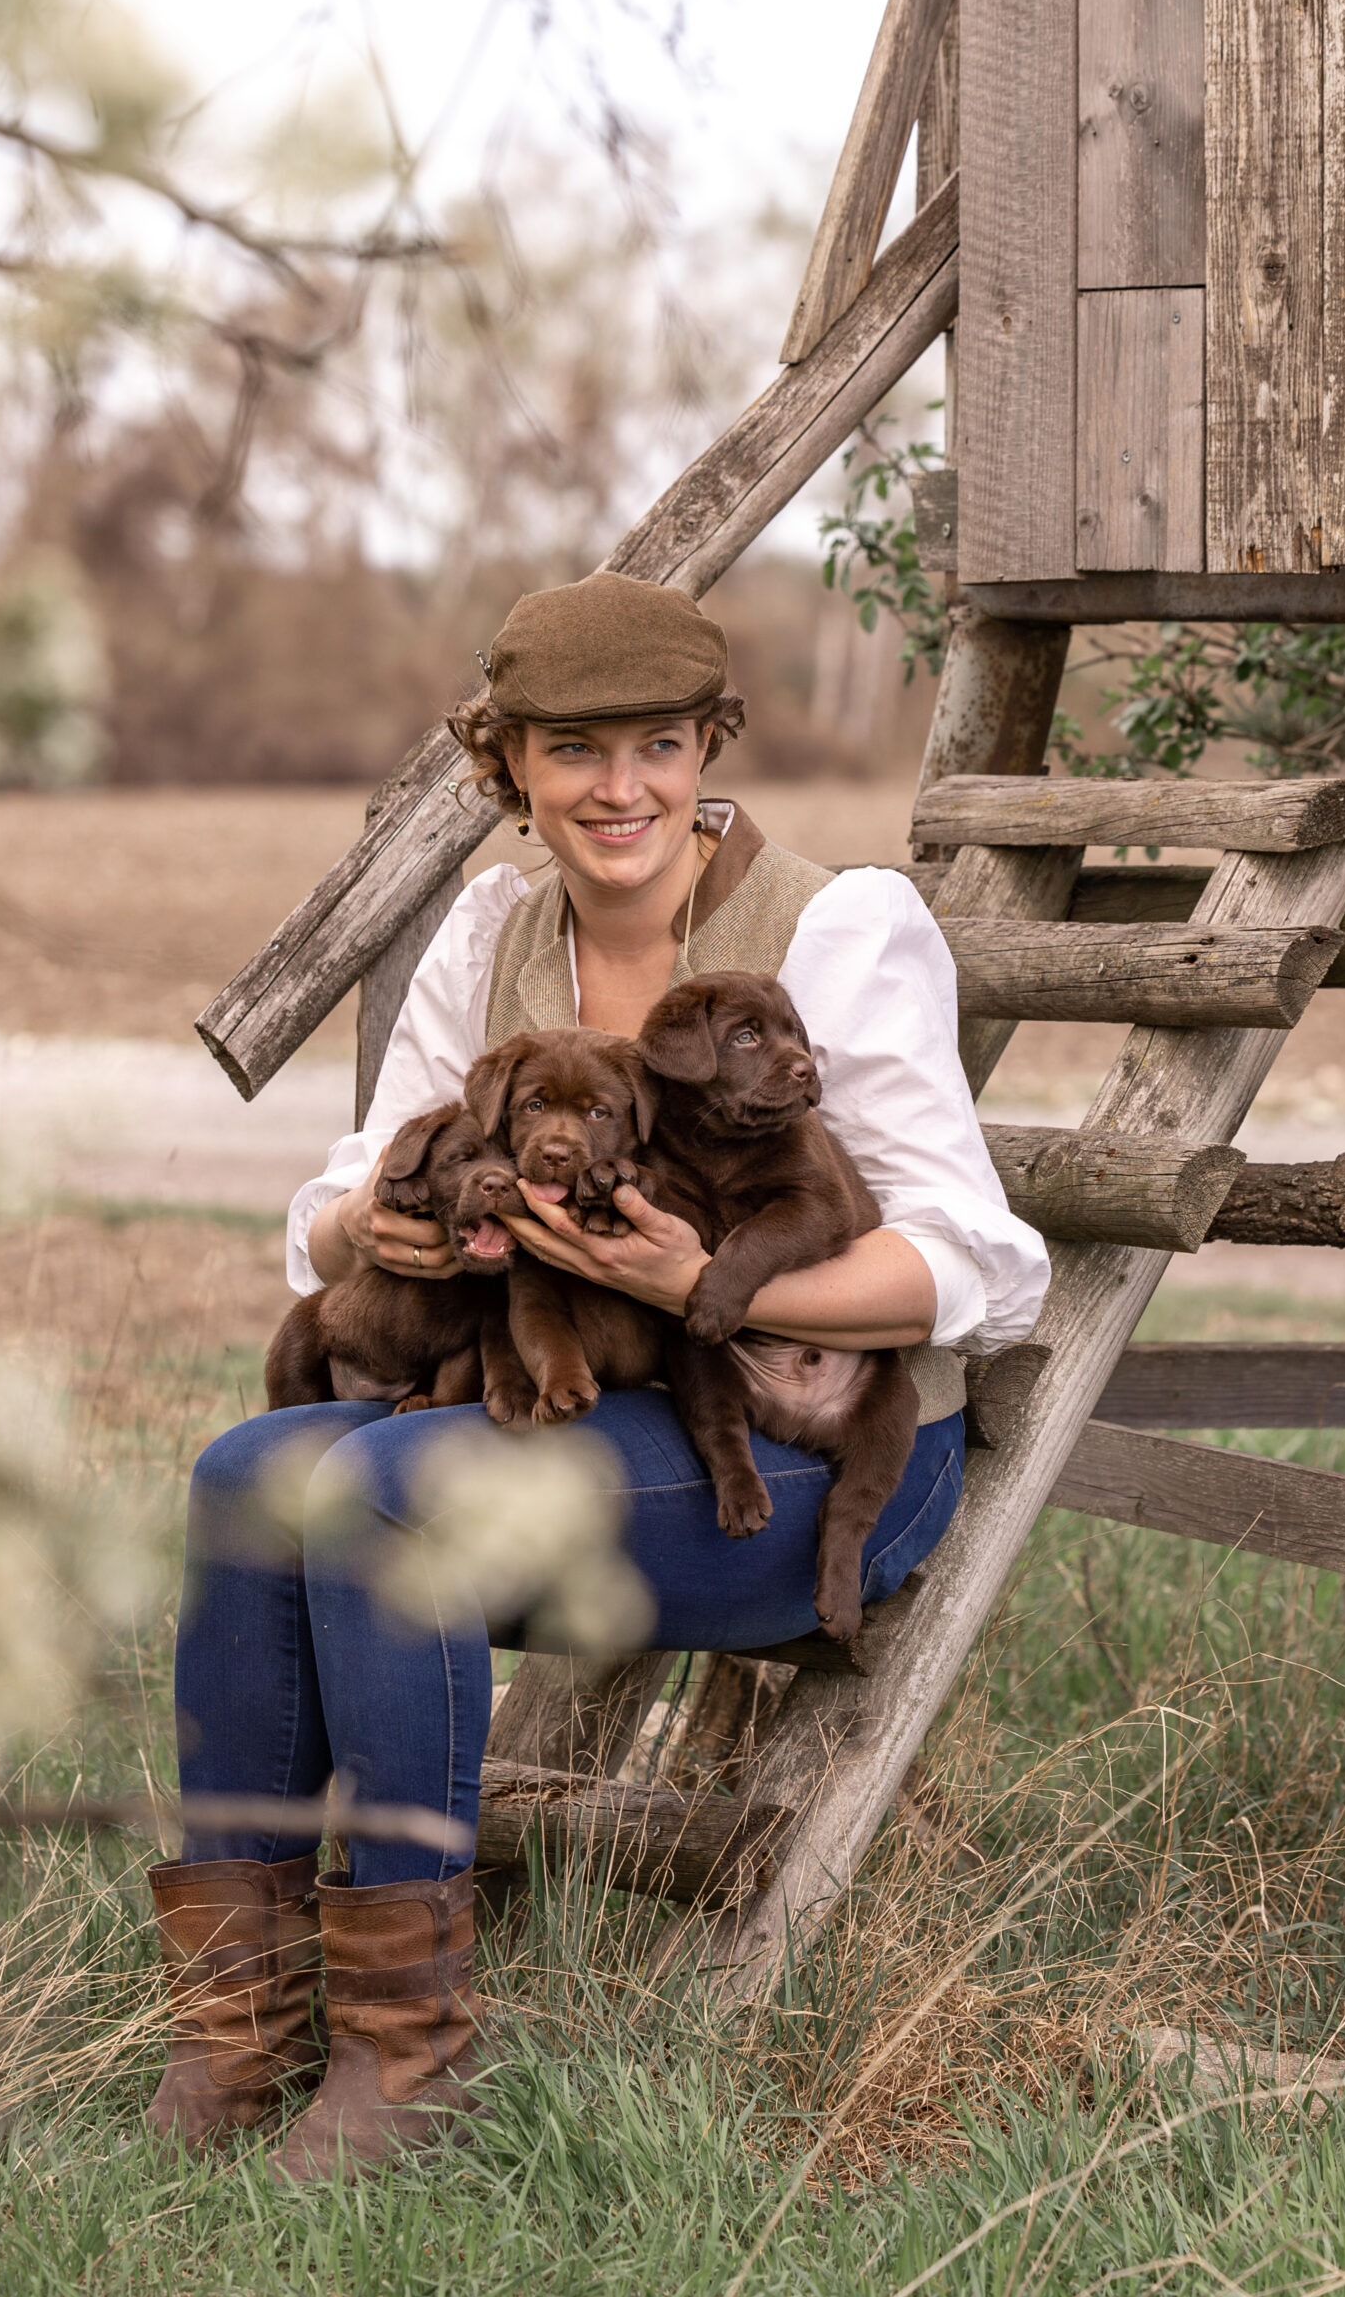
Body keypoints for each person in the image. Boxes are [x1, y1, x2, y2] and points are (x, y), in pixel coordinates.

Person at [147, 572, 1049, 2181]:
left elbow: (983, 1268)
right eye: (573, 749)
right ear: (510, 768)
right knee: (242, 1479)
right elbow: (335, 1205)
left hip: (806, 1458)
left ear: (710, 745)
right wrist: (383, 1224)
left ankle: (408, 2067)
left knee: (387, 1493)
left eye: (656, 743)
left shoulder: (836, 931)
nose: (619, 788)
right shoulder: (494, 937)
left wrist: (702, 1282)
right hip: (595, 1418)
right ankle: (241, 2025)